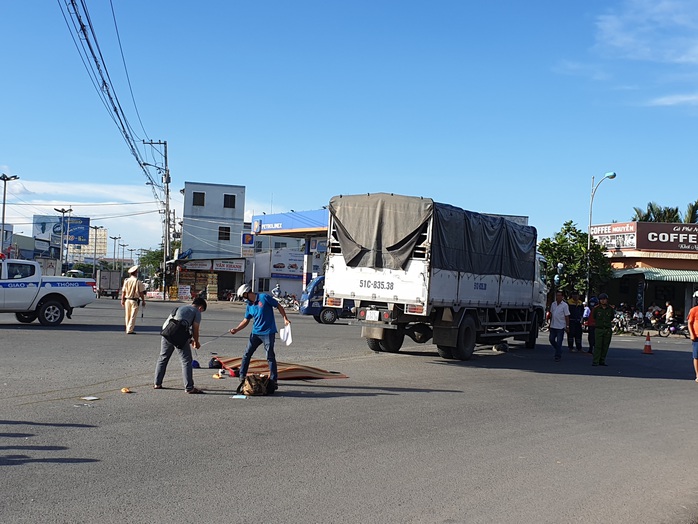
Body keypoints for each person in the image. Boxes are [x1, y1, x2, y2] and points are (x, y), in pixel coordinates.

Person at [229, 284, 291, 392]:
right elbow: (246, 320)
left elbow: (278, 306)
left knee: (270, 356)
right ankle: (242, 376)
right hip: (255, 333)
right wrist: (236, 329)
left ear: (247, 292)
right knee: (247, 354)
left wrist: (285, 319)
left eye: (243, 296)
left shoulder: (264, 297)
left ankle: (273, 380)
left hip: (268, 332)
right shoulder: (249, 305)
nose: (243, 299)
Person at [154, 297, 207, 394]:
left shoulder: (180, 308)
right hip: (177, 335)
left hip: (166, 332)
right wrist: (196, 341)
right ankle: (189, 387)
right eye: (202, 310)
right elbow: (195, 329)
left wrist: (189, 340)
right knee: (186, 360)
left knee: (163, 357)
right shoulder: (196, 312)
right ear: (200, 307)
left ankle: (157, 383)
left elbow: (177, 326)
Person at [120, 265, 146, 334]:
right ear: (136, 272)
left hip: (127, 300)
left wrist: (122, 300)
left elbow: (123, 292)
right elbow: (141, 293)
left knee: (127, 315)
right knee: (133, 315)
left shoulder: (126, 281)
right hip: (134, 301)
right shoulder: (138, 281)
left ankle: (127, 328)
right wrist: (143, 301)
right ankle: (130, 329)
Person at [592, 293, 615, 366]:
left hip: (607, 329)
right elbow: (594, 317)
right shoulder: (596, 308)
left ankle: (602, 360)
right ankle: (596, 361)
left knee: (605, 346)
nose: (603, 301)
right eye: (601, 299)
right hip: (599, 329)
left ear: (607, 300)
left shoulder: (610, 309)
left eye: (604, 299)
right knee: (598, 346)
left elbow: (611, 317)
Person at [548, 290, 570, 362]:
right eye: (557, 295)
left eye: (559, 295)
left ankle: (557, 355)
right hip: (553, 325)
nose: (558, 297)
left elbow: (567, 316)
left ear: (562, 297)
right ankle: (559, 350)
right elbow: (551, 314)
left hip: (561, 326)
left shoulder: (565, 305)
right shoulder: (553, 304)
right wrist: (549, 324)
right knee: (551, 339)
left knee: (559, 341)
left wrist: (567, 326)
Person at [686, 292, 698, 383]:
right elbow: (690, 323)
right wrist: (692, 334)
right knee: (696, 356)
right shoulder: (694, 310)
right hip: (697, 337)